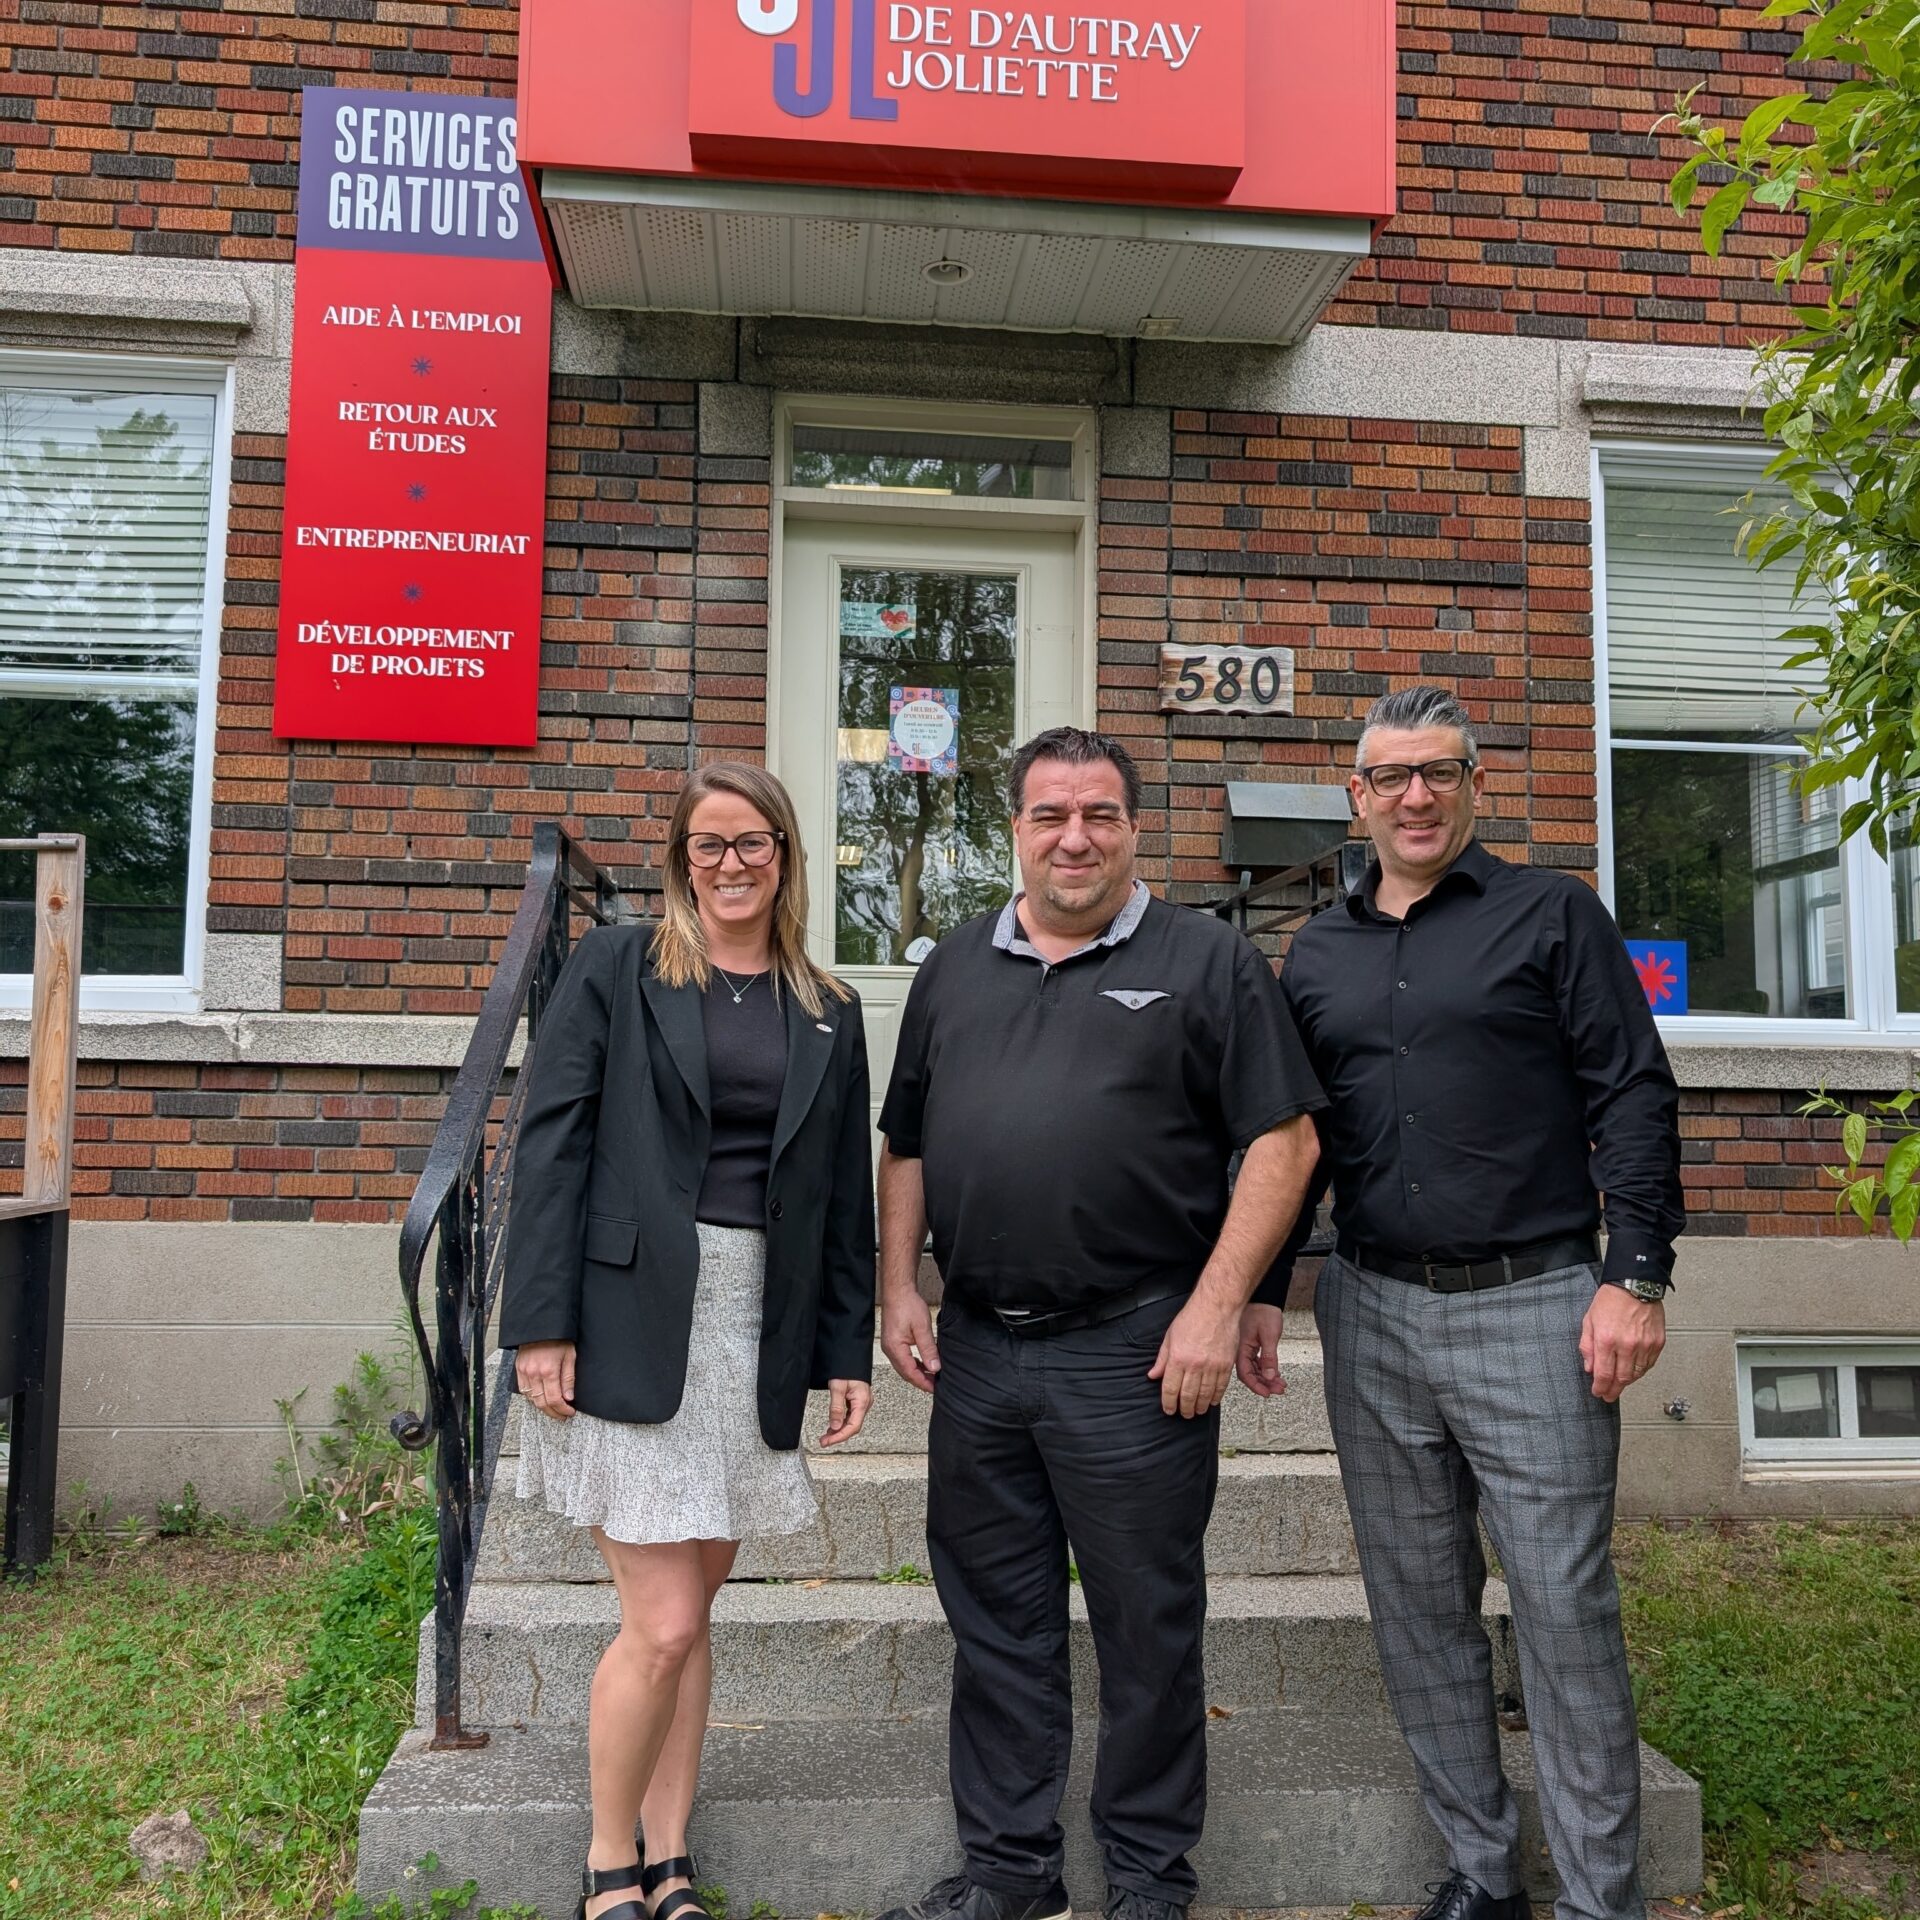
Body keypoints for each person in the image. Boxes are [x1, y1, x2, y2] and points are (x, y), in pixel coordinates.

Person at [875, 726, 1324, 1920]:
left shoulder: (1207, 961)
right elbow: (907, 1139)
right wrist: (895, 1286)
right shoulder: (953, 968)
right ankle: (1012, 1874)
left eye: (1101, 815)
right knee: (997, 1626)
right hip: (977, 1352)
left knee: (1147, 1629)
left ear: (1134, 829)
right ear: (1011, 830)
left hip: (1134, 1354)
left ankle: (1146, 1878)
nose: (1075, 837)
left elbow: (1285, 1143)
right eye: (1049, 815)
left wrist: (1217, 1307)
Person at [1264, 686, 1684, 1920]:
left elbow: (1634, 1096)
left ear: (1474, 785)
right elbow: (1306, 1137)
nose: (1415, 796)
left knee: (1561, 1607)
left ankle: (1602, 1899)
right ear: (1358, 796)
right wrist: (1267, 1288)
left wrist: (1636, 1273)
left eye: (1439, 772)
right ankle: (1482, 1873)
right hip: (1371, 1310)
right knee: (1418, 1606)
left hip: (1535, 1302)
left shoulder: (1553, 914)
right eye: (1389, 776)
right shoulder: (1318, 950)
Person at [499, 763, 877, 1920]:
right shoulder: (621, 966)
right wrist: (540, 1323)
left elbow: (841, 1195)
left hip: (760, 1318)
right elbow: (552, 1141)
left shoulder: (826, 1002)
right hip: (630, 1315)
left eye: (753, 843)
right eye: (709, 845)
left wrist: (845, 1347)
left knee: (691, 1615)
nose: (731, 865)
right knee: (660, 1622)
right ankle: (609, 1861)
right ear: (681, 858)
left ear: (786, 855)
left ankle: (671, 1860)